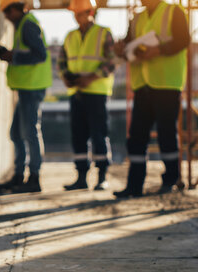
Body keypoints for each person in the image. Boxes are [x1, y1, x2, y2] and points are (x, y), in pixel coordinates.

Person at [113, 0, 190, 198]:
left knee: (166, 134)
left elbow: (184, 40)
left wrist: (160, 49)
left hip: (167, 83)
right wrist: (121, 49)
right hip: (143, 85)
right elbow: (129, 44)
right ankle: (134, 185)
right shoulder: (137, 17)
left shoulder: (174, 11)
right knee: (137, 137)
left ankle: (171, 180)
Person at [0, 0, 52, 193]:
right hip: (27, 87)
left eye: (7, 12)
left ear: (15, 9)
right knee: (16, 134)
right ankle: (19, 176)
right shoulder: (24, 25)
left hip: (32, 87)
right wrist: (10, 54)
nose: (6, 17)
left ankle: (34, 178)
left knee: (30, 132)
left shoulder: (27, 25)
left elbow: (40, 55)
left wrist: (12, 57)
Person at [59, 0, 116, 191]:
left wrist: (91, 78)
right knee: (78, 135)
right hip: (76, 92)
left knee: (98, 134)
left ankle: (102, 177)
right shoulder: (70, 36)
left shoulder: (103, 33)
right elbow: (62, 61)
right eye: (75, 14)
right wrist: (66, 77)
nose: (77, 17)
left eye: (80, 13)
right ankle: (81, 176)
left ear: (91, 12)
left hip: (96, 92)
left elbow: (111, 62)